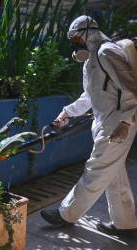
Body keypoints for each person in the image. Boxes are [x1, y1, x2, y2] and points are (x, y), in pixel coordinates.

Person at [40, 15, 137, 235]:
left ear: (88, 32)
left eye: (75, 38)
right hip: (104, 122)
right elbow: (89, 97)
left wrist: (124, 122)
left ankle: (66, 214)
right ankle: (126, 223)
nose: (75, 43)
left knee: (95, 170)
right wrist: (66, 113)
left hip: (117, 124)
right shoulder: (92, 60)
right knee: (113, 175)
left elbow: (130, 89)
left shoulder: (107, 52)